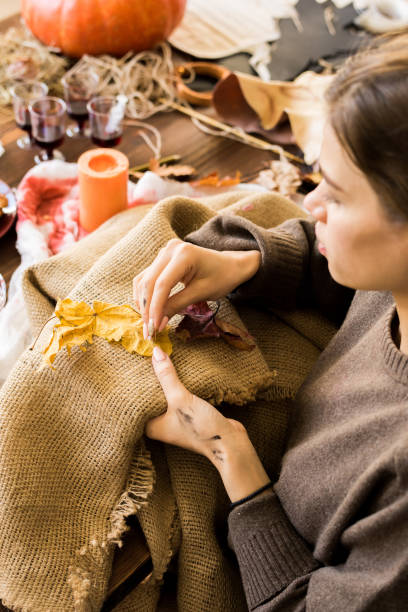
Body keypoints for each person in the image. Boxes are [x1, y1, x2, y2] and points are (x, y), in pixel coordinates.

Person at [133, 30, 408, 610]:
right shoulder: (390, 281)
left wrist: (233, 463)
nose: (309, 206)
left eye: (334, 194)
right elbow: (334, 259)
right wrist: (252, 261)